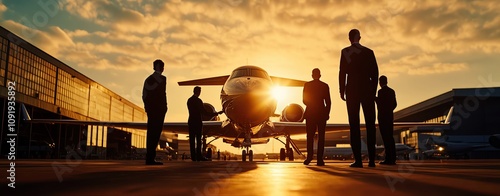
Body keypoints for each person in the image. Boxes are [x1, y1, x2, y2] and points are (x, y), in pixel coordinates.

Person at [339, 29, 379, 168]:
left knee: (354, 126)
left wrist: (342, 91)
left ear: (349, 38)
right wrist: (373, 91)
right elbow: (375, 73)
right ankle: (372, 160)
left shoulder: (345, 52)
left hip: (352, 90)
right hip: (367, 89)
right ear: (359, 38)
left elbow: (342, 72)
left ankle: (358, 161)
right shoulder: (369, 52)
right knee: (370, 125)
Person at [303, 68, 331, 166]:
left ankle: (309, 157)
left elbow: (304, 100)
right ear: (320, 75)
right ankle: (320, 159)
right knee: (321, 137)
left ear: (312, 75)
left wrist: (312, 104)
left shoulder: (307, 85)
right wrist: (326, 113)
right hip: (321, 113)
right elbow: (328, 102)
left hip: (310, 113)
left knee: (309, 137)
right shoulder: (325, 86)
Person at [142, 59, 168, 165]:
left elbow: (144, 95)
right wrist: (165, 107)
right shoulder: (162, 79)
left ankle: (150, 158)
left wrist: (147, 107)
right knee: (156, 133)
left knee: (151, 133)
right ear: (159, 67)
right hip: (159, 110)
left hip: (152, 110)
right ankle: (151, 158)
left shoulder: (148, 79)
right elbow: (163, 94)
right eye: (162, 66)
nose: (163, 68)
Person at [187, 86, 223, 161]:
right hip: (197, 122)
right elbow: (204, 112)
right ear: (198, 92)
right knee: (198, 140)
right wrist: (216, 114)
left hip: (191, 121)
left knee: (192, 140)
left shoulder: (189, 100)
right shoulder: (199, 101)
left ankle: (193, 157)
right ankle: (199, 157)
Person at [376, 75, 397, 165]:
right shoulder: (392, 91)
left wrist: (375, 99)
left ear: (380, 82)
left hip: (383, 117)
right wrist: (389, 110)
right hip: (389, 117)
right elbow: (395, 104)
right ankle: (393, 158)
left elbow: (380, 104)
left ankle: (388, 158)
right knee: (391, 138)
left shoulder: (380, 92)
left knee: (385, 138)